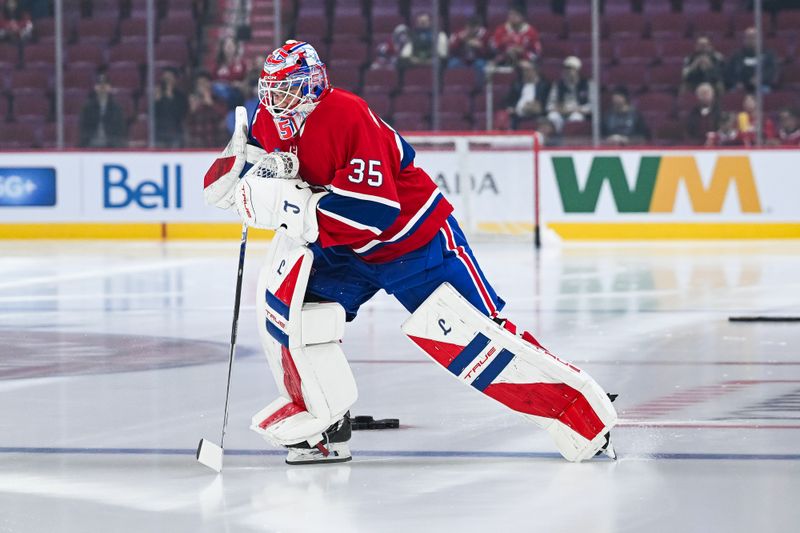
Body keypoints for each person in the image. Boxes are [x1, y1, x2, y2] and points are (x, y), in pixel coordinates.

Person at [202, 40, 617, 465]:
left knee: (473, 335)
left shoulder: (346, 115)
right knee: (295, 316)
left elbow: (373, 212)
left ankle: (580, 414)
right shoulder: (269, 120)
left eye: (287, 88)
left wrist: (293, 207)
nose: (276, 99)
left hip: (413, 244)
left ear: (313, 85)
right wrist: (237, 180)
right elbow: (256, 164)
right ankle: (324, 425)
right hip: (344, 252)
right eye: (270, 89)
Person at [78, 71, 128, 148]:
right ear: (95, 87)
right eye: (100, 85)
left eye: (105, 85)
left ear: (109, 88)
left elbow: (120, 129)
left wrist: (113, 139)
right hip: (91, 143)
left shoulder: (117, 108)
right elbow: (83, 128)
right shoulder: (87, 108)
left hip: (112, 143)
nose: (102, 88)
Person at [726, 27, 778, 93]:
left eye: (753, 37)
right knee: (733, 93)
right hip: (741, 86)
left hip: (761, 85)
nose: (751, 40)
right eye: (748, 37)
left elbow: (771, 71)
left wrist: (760, 79)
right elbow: (729, 72)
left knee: (766, 91)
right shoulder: (737, 55)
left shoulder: (768, 55)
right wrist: (736, 82)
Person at [546, 56, 591, 132]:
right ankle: (557, 140)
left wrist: (579, 109)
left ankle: (571, 140)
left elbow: (592, 106)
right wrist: (557, 109)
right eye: (566, 69)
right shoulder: (558, 85)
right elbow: (549, 106)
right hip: (561, 113)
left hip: (577, 112)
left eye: (571, 69)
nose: (568, 72)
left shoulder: (587, 85)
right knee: (552, 117)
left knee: (576, 118)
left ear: (578, 71)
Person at [185, 71, 228, 148]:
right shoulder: (193, 102)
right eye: (200, 84)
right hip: (196, 147)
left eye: (205, 82)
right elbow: (186, 125)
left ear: (210, 84)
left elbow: (225, 118)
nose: (202, 86)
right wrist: (192, 110)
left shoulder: (218, 100)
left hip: (215, 145)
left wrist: (211, 103)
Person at [505, 59, 550, 130]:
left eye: (528, 70)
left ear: (535, 71)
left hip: (535, 114)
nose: (525, 73)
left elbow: (545, 104)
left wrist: (536, 107)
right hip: (516, 115)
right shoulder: (517, 85)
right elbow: (507, 101)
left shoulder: (544, 86)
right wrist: (510, 108)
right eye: (524, 71)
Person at [154, 67, 188, 148]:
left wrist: (170, 96)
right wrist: (156, 101)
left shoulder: (180, 96)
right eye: (165, 78)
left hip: (175, 132)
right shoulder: (158, 94)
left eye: (169, 78)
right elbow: (153, 114)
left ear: (175, 80)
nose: (167, 80)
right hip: (160, 132)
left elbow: (181, 114)